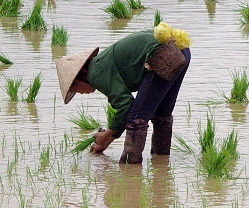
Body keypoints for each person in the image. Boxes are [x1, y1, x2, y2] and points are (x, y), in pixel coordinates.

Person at [55, 23, 192, 164]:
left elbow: (126, 105)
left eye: (76, 90)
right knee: (161, 115)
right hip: (181, 50)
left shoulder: (96, 74)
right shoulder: (100, 63)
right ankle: (162, 163)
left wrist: (107, 134)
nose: (81, 93)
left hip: (163, 55)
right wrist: (105, 141)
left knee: (136, 119)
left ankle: (130, 167)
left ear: (78, 81)